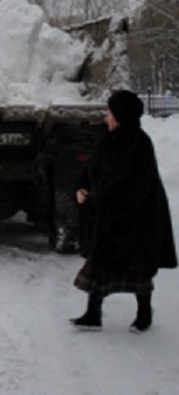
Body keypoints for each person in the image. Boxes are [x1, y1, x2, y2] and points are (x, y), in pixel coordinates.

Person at [70, 89, 177, 333]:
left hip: (135, 217)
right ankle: (93, 314)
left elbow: (136, 183)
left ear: (120, 114)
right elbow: (90, 170)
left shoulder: (140, 143)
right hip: (106, 213)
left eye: (109, 112)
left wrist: (100, 198)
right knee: (99, 262)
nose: (105, 117)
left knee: (137, 267)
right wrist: (81, 189)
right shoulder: (106, 140)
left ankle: (144, 314)